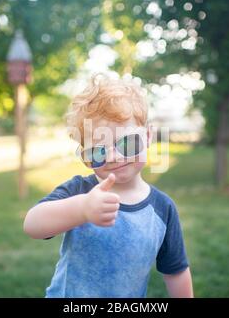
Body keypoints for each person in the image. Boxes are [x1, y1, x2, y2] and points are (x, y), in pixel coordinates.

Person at [24, 74, 194, 298]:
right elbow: (33, 225)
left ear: (148, 135)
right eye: (98, 151)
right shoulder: (81, 191)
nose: (113, 156)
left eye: (127, 142)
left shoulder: (162, 209)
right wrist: (83, 209)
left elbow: (175, 272)